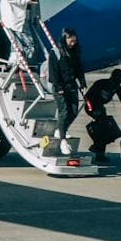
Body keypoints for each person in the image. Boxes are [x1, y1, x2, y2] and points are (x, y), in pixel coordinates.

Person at [46, 28, 86, 156]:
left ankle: (61, 129)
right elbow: (53, 71)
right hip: (60, 86)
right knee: (64, 111)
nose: (73, 43)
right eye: (71, 41)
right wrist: (58, 87)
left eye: (74, 41)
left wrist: (82, 82)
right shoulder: (56, 52)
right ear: (65, 39)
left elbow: (79, 69)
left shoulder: (74, 52)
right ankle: (62, 140)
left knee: (74, 110)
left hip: (72, 85)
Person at [83, 69, 121, 160]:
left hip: (100, 108)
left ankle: (97, 149)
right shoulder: (101, 83)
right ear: (115, 77)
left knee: (107, 130)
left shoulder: (116, 87)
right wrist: (92, 111)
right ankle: (99, 153)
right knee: (103, 129)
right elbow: (87, 96)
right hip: (91, 107)